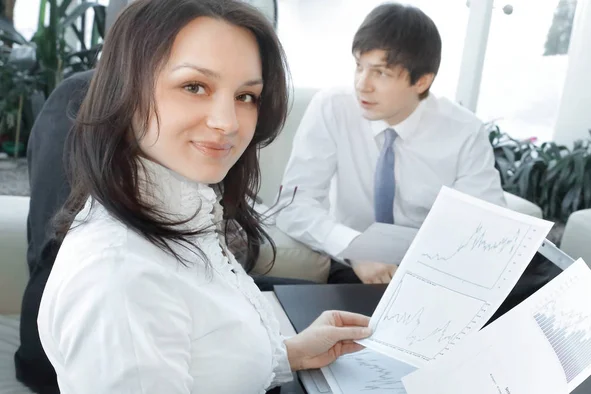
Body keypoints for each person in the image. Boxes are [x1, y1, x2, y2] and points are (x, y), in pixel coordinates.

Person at [33, 1, 371, 393]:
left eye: (246, 96)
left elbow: (202, 353)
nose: (227, 122)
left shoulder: (182, 209)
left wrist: (290, 353)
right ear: (124, 90)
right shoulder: (121, 277)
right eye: (194, 87)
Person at [276, 3, 506, 285]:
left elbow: (490, 225)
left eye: (381, 73)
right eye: (359, 66)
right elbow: (293, 205)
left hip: (434, 269)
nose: (362, 84)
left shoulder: (464, 131)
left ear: (421, 81)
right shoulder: (332, 108)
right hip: (353, 263)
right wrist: (355, 248)